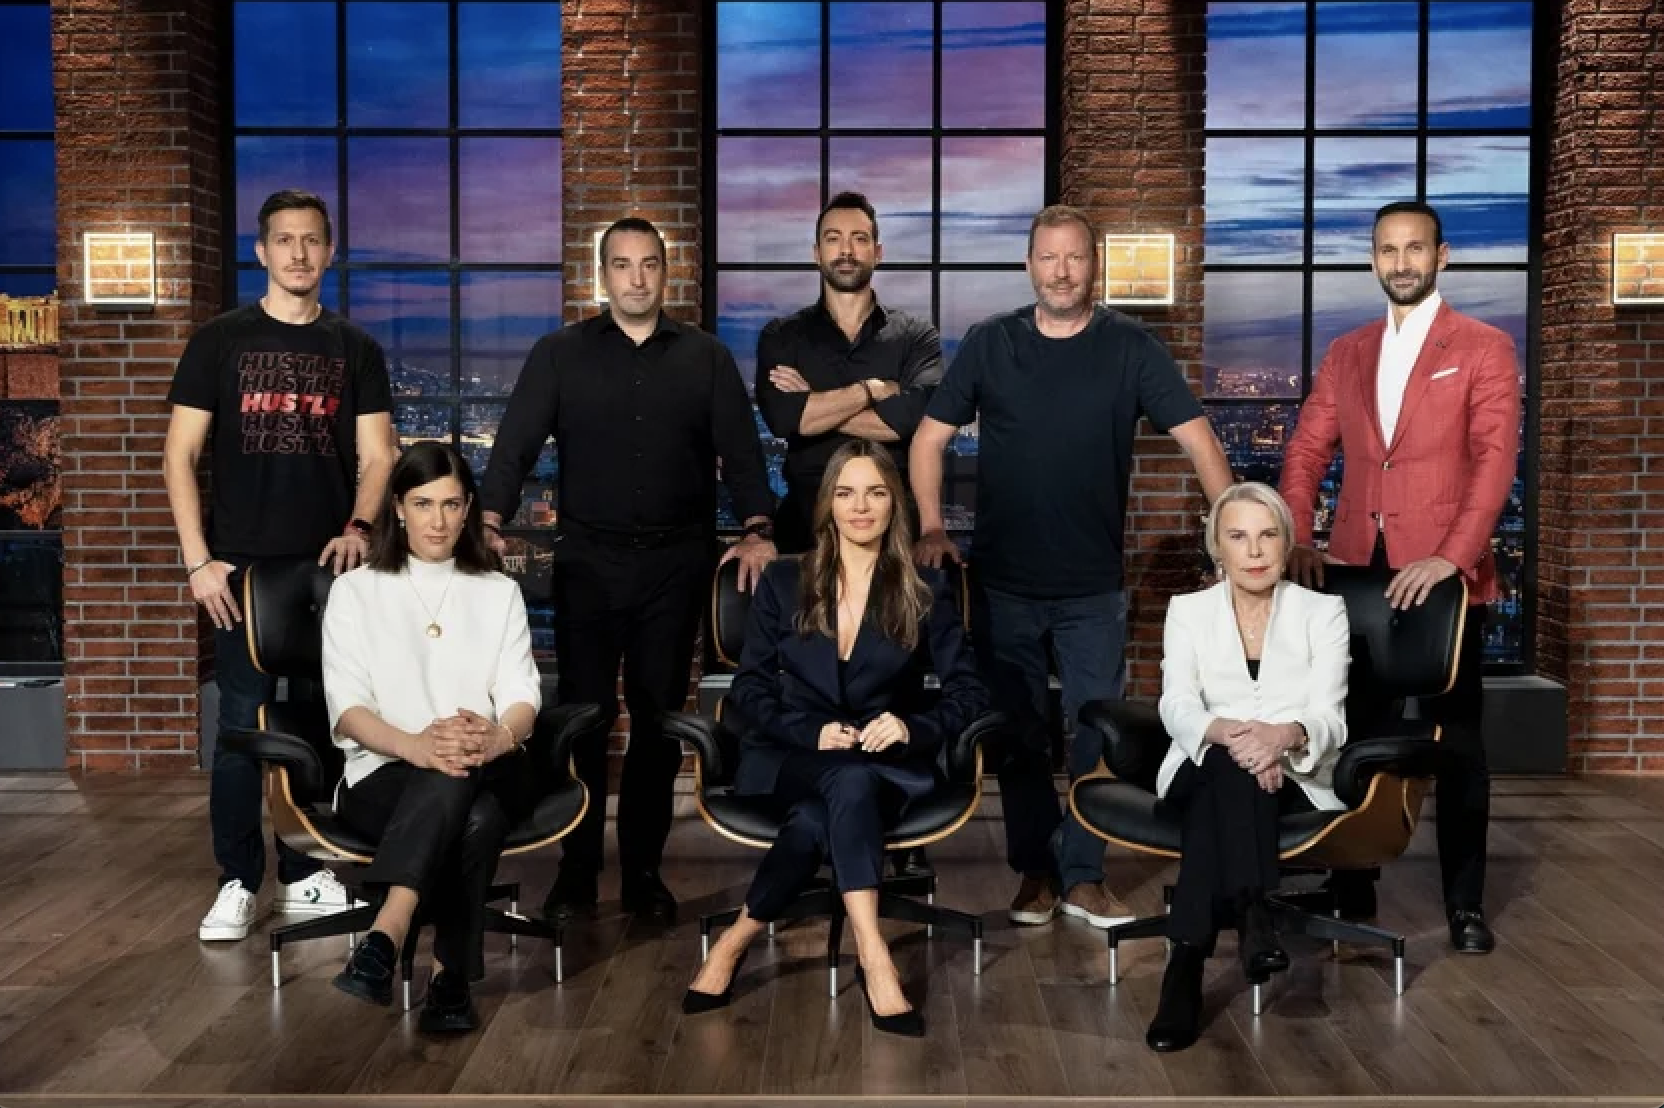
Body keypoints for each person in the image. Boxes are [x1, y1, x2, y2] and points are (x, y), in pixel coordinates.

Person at [909, 204, 1235, 930]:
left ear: (1095, 266)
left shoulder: (1131, 346)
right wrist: (931, 525)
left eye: (1075, 258)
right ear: (1030, 265)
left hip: (1093, 588)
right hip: (1003, 582)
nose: (1062, 272)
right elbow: (928, 439)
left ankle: (1084, 875)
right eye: (1049, 258)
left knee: (1097, 736)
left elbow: (1201, 443)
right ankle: (1036, 872)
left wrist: (1234, 542)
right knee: (1020, 736)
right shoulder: (992, 341)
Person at [479, 217, 777, 925]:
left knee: (657, 720)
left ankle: (643, 871)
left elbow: (742, 455)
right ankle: (577, 871)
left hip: (676, 565)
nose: (636, 278)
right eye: (622, 264)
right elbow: (515, 445)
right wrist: (488, 520)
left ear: (665, 273)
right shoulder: (559, 354)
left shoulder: (706, 358)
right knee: (582, 719)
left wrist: (760, 529)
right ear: (602, 275)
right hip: (587, 561)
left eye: (649, 264)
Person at [682, 441, 988, 1037]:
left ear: (894, 504)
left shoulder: (924, 588)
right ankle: (875, 956)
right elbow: (750, 689)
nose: (861, 507)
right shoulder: (783, 580)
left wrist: (912, 726)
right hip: (790, 755)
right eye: (846, 493)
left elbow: (968, 693)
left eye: (875, 493)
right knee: (843, 782)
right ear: (828, 504)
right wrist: (810, 731)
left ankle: (737, 938)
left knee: (818, 815)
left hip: (883, 761)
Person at [1279, 200, 1520, 955]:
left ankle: (1465, 906)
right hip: (1356, 571)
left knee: (1459, 743)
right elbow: (1306, 451)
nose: (1401, 262)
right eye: (1388, 250)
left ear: (1440, 257)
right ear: (1373, 259)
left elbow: (1495, 462)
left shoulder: (1483, 347)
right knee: (1353, 728)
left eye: (1415, 249)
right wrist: (1298, 536)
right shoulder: (1348, 351)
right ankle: (1351, 887)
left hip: (1445, 580)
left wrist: (1451, 556)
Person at [164, 188, 394, 943]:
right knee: (241, 726)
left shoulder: (354, 347)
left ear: (331, 252)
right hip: (240, 572)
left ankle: (306, 873)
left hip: (329, 573)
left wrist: (360, 526)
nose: (299, 253)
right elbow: (178, 456)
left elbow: (380, 455)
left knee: (327, 721)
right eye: (285, 240)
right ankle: (237, 881)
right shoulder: (219, 340)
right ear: (261, 252)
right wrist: (199, 562)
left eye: (312, 240)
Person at [322, 441, 548, 1034]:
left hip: (490, 760)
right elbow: (348, 710)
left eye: (451, 504)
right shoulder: (355, 591)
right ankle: (450, 978)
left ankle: (388, 930)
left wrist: (499, 737)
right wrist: (416, 746)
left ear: (468, 507)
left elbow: (523, 695)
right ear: (398, 507)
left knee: (458, 768)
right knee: (473, 811)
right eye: (423, 504)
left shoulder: (497, 591)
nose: (438, 521)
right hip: (382, 773)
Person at [1142, 482, 1350, 1052]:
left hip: (1292, 772)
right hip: (1202, 756)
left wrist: (1281, 737)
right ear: (1219, 548)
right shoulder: (1189, 612)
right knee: (1229, 768)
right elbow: (1176, 704)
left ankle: (1185, 965)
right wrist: (1232, 737)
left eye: (1267, 535)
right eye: (1238, 537)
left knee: (1224, 790)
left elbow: (1330, 717)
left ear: (1286, 543)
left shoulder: (1323, 612)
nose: (1254, 551)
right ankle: (1253, 913)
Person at [755, 191, 944, 554]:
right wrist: (871, 390)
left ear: (878, 252)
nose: (846, 251)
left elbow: (906, 423)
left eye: (859, 239)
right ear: (816, 253)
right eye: (833, 239)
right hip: (804, 529)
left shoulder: (916, 336)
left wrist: (813, 404)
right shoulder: (782, 336)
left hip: (893, 533)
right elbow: (785, 419)